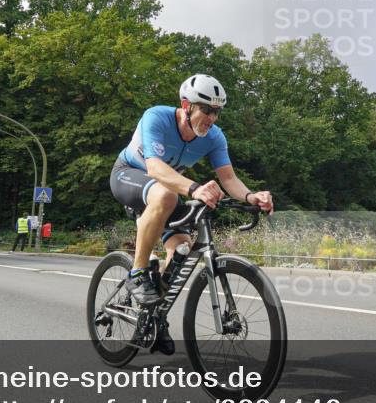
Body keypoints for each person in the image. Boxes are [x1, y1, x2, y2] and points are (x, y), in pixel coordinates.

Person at [110, 74, 273, 355]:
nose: (212, 118)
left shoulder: (214, 137)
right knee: (167, 194)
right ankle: (137, 273)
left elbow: (229, 178)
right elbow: (155, 169)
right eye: (207, 110)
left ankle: (153, 318)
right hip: (130, 176)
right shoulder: (157, 118)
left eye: (217, 112)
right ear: (186, 105)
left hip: (167, 189)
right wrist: (195, 188)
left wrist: (250, 196)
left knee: (182, 250)